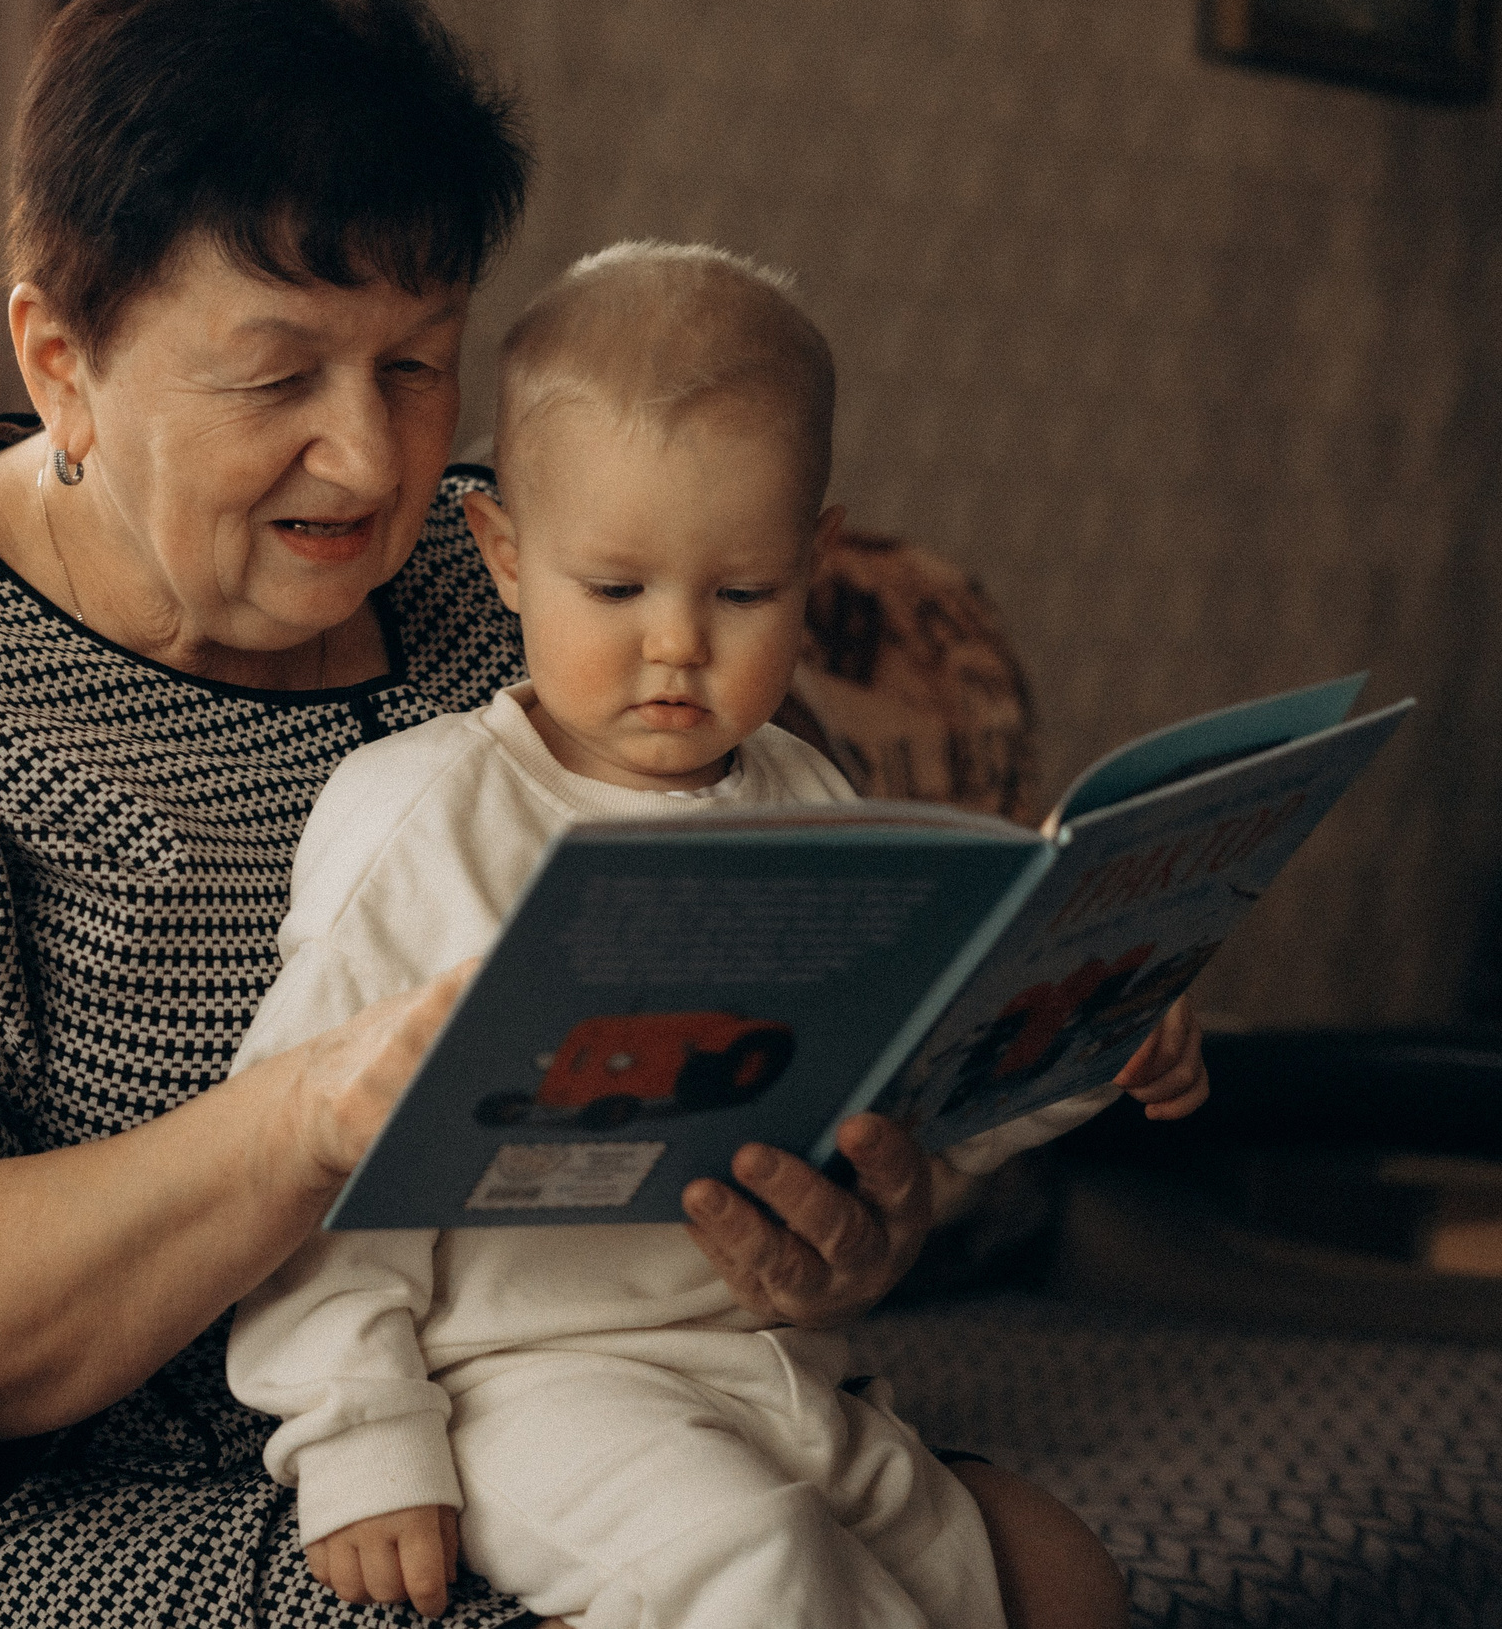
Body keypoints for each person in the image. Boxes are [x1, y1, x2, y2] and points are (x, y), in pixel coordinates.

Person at [0, 0, 1175, 1628]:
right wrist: (310, 1117)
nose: (370, 460)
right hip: (2, 1514)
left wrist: (843, 1223)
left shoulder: (524, 579)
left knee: (1042, 1575)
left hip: (546, 1395)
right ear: (61, 359)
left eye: (414, 362)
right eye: (277, 373)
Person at [222, 242, 1211, 1629]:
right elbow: (303, 1155)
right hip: (530, 1384)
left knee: (981, 1583)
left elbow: (900, 1106)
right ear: (506, 553)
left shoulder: (811, 798)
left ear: (812, 565)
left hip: (784, 1369)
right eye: (616, 591)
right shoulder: (426, 814)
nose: (676, 646)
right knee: (764, 1580)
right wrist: (357, 1435)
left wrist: (1088, 1031)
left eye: (741, 595)